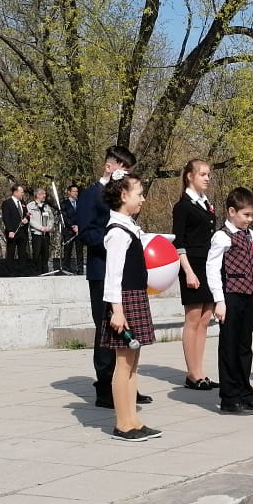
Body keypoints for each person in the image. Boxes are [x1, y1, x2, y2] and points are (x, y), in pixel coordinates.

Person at [75, 146, 151, 409]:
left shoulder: (123, 196)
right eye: (122, 169)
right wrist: (111, 242)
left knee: (126, 333)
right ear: (109, 166)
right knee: (106, 329)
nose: (125, 174)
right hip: (101, 270)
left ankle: (126, 384)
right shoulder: (91, 194)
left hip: (125, 274)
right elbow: (86, 232)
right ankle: (105, 386)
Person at [100, 172, 161, 441]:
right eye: (139, 194)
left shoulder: (129, 227)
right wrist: (117, 309)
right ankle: (122, 423)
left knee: (133, 363)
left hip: (135, 297)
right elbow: (112, 275)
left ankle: (134, 419)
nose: (143, 199)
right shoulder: (116, 232)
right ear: (124, 196)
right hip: (123, 301)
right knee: (123, 364)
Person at [207, 187, 253, 414]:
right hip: (230, 296)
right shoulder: (222, 236)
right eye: (246, 215)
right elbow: (212, 269)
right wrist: (219, 300)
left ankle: (245, 391)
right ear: (232, 211)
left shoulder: (248, 234)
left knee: (245, 346)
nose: (250, 219)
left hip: (248, 295)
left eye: (252, 215)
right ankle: (229, 397)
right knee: (229, 347)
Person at [172, 159, 218, 391]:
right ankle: (192, 374)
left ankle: (201, 371)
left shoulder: (206, 204)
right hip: (192, 265)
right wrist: (188, 271)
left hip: (208, 265)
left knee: (205, 319)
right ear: (189, 176)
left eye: (208, 174)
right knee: (193, 319)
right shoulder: (183, 206)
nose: (207, 178)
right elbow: (179, 243)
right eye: (202, 174)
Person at [26, 187, 55, 275]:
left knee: (45, 254)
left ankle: (45, 272)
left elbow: (51, 218)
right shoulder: (30, 206)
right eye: (43, 194)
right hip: (37, 233)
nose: (45, 196)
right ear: (38, 195)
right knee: (37, 254)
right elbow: (30, 220)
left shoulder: (47, 206)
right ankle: (36, 272)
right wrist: (40, 228)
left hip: (46, 234)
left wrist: (49, 227)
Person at [1, 185, 29, 262]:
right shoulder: (7, 203)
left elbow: (27, 214)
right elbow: (6, 218)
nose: (23, 194)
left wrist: (26, 219)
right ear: (15, 192)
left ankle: (22, 271)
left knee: (22, 253)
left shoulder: (23, 203)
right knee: (11, 252)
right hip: (12, 232)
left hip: (23, 232)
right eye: (21, 192)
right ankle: (10, 271)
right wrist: (10, 230)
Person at [62, 184, 83, 274]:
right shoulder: (64, 203)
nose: (76, 193)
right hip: (68, 230)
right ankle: (66, 268)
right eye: (74, 191)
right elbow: (65, 217)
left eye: (77, 191)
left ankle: (80, 268)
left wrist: (79, 226)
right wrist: (72, 226)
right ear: (69, 192)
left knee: (79, 250)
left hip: (79, 230)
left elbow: (84, 215)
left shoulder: (81, 203)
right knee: (68, 250)